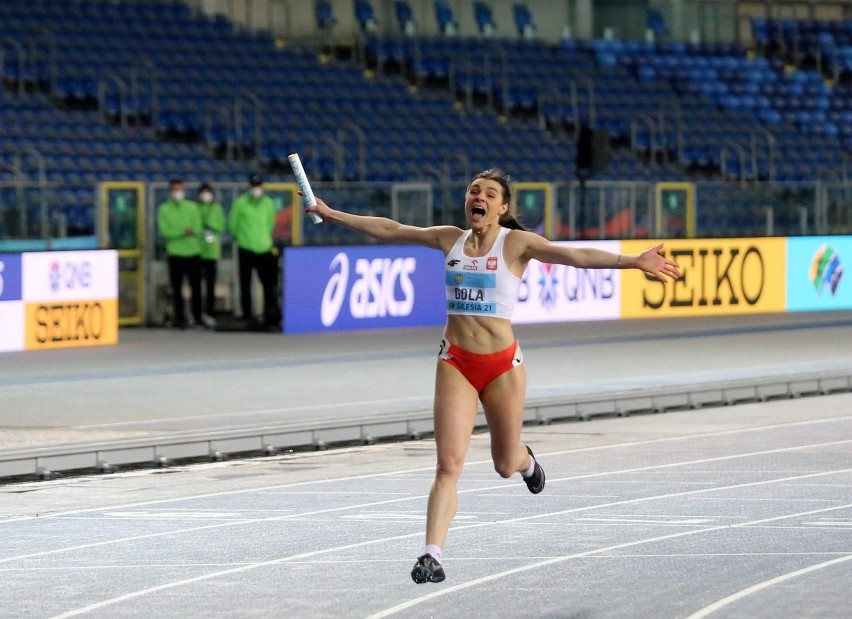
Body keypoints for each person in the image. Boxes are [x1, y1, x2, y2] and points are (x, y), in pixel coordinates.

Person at [304, 169, 681, 584]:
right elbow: (391, 229)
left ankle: (525, 460)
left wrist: (634, 262)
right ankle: (432, 553)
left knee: (503, 463)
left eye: (488, 193)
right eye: (472, 191)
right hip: (456, 364)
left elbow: (575, 257)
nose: (477, 197)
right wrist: (331, 213)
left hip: (502, 368)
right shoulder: (449, 239)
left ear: (502, 208)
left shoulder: (515, 244)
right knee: (448, 464)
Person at [228, 174, 278, 330]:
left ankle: (269, 315)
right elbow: (233, 225)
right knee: (246, 283)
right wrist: (242, 239)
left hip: (264, 247)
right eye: (254, 186)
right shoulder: (240, 203)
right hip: (246, 247)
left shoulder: (269, 204)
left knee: (269, 285)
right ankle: (248, 315)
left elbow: (271, 223)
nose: (256, 189)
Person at [156, 178, 205, 329]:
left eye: (180, 189)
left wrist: (181, 233)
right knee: (176, 289)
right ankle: (180, 318)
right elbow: (165, 232)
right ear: (170, 192)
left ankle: (198, 317)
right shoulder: (164, 209)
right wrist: (184, 232)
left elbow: (197, 228)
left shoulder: (192, 207)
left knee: (196, 287)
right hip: (175, 254)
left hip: (193, 252)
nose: (178, 193)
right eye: (175, 190)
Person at [196, 182, 226, 327]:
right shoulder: (195, 208)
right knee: (196, 286)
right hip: (197, 251)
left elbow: (220, 226)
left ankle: (210, 312)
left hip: (212, 252)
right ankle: (197, 314)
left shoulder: (216, 208)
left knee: (210, 285)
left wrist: (209, 225)